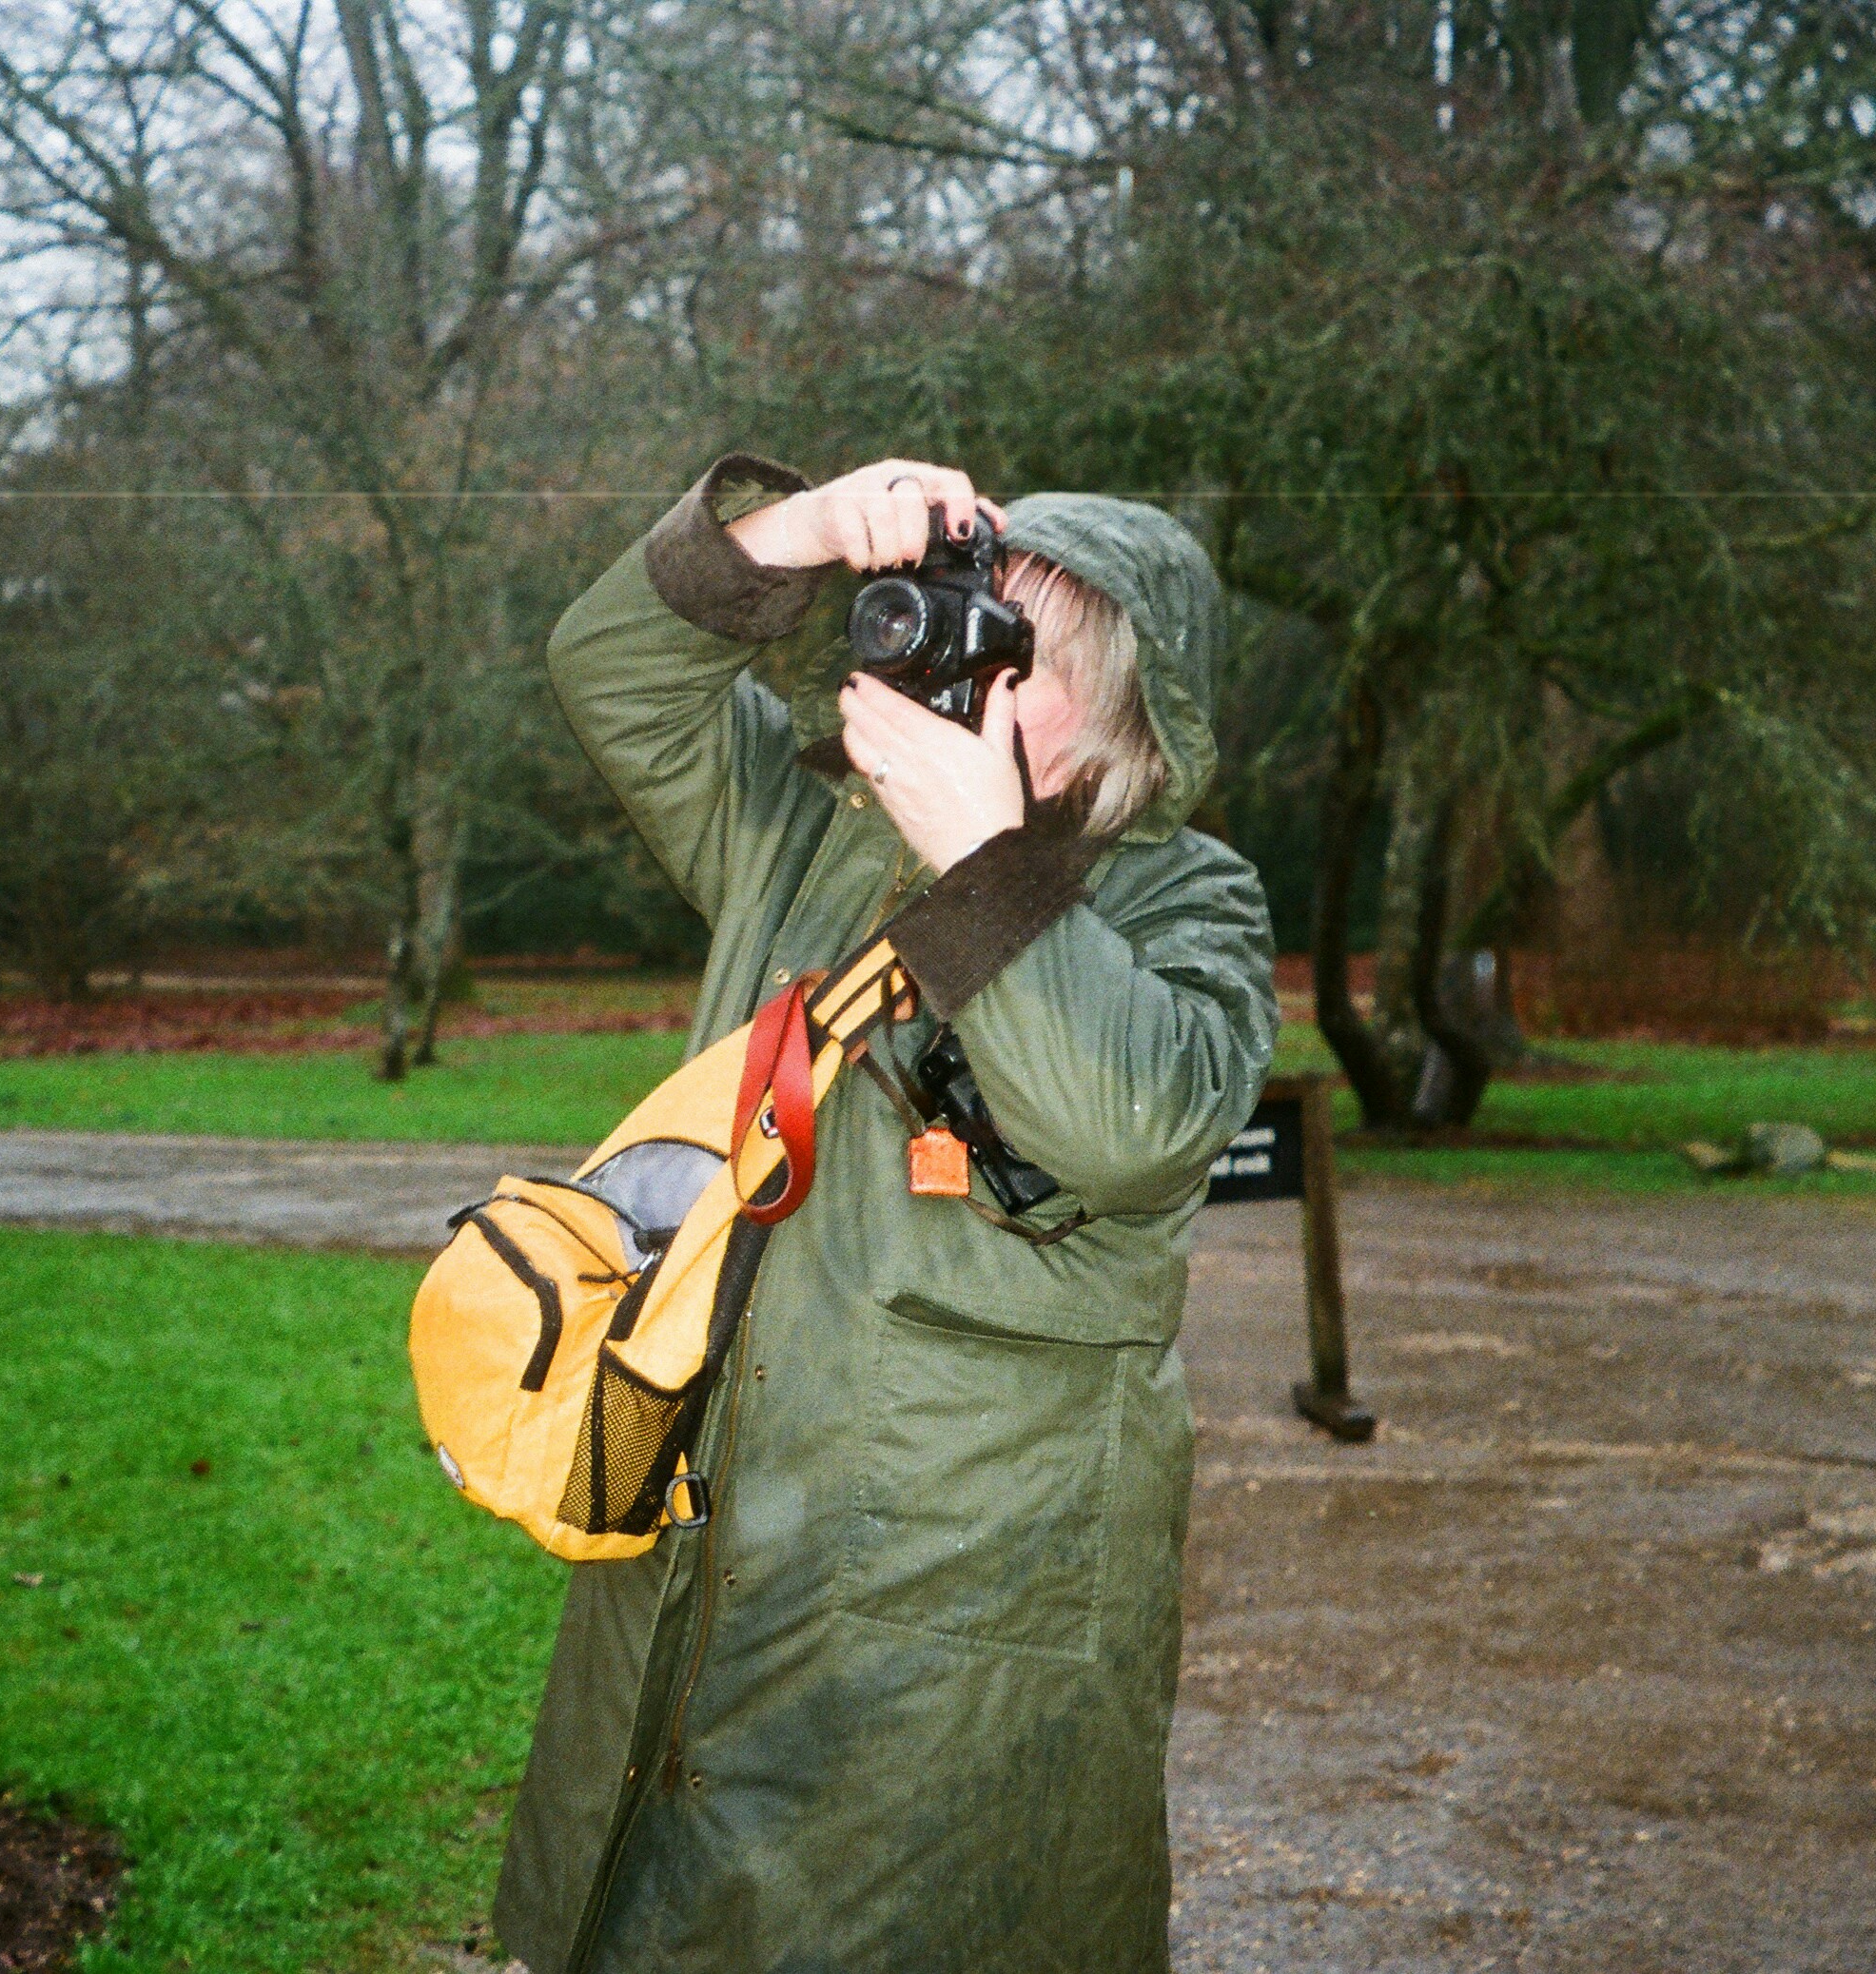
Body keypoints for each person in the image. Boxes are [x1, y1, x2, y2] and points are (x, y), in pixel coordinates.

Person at [490, 454, 1279, 1974]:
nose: (951, 673)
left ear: (1124, 719)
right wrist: (801, 533)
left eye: (1012, 658)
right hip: (704, 1544)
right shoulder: (806, 840)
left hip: (941, 1613)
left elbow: (1130, 1126)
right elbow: (609, 669)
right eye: (950, 620)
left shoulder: (1187, 900)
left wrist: (981, 854)